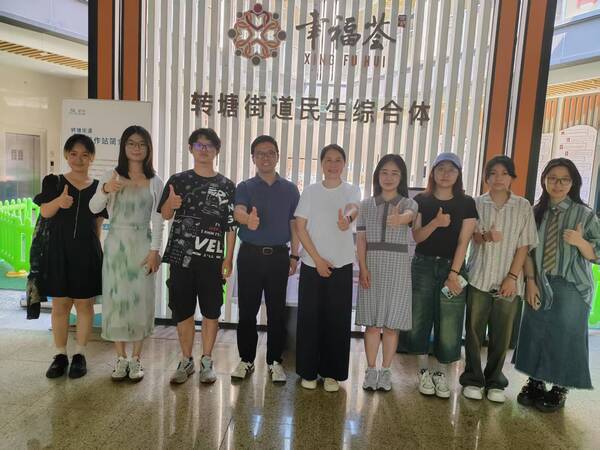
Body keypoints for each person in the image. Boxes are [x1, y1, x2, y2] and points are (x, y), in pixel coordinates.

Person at [514, 158, 600, 412]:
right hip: (539, 280)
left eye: (564, 179)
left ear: (573, 183)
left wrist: (580, 242)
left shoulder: (584, 214)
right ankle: (535, 382)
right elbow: (527, 251)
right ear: (544, 181)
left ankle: (560, 387)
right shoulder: (534, 212)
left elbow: (598, 253)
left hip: (572, 284)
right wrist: (530, 282)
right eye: (552, 178)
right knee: (534, 331)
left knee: (566, 336)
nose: (558, 184)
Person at [158, 128, 236, 385]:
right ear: (191, 148)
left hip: (212, 260)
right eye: (199, 145)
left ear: (217, 151)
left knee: (212, 311)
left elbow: (231, 226)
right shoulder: (178, 180)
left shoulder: (227, 185)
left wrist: (228, 258)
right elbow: (165, 215)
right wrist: (171, 204)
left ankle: (207, 360)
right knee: (183, 311)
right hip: (181, 257)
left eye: (209, 145)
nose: (204, 150)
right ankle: (186, 359)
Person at [459, 156, 537, 403]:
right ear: (486, 177)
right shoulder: (476, 203)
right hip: (479, 276)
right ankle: (473, 379)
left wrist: (512, 277)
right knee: (473, 331)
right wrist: (485, 236)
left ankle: (495, 381)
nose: (498, 178)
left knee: (501, 335)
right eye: (493, 173)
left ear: (512, 177)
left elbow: (524, 245)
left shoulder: (523, 206)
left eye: (504, 173)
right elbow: (472, 238)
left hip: (509, 281)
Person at [90, 125, 164, 382]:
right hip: (116, 246)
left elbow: (158, 220)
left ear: (148, 148)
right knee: (117, 300)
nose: (136, 148)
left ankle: (136, 359)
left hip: (143, 244)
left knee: (141, 300)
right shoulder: (111, 175)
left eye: (142, 144)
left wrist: (155, 251)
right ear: (123, 146)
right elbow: (93, 208)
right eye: (131, 143)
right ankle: (120, 358)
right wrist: (105, 190)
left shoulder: (155, 181)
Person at [35, 134, 107, 379]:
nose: (79, 159)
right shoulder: (53, 181)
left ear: (92, 158)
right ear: (66, 155)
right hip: (58, 252)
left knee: (85, 305)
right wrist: (59, 201)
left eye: (85, 155)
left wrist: (95, 252)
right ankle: (59, 356)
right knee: (60, 305)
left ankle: (80, 355)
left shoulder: (98, 187)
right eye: (74, 154)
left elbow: (98, 224)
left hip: (87, 252)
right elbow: (45, 212)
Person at [231, 135, 300, 383]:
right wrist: (247, 219)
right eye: (260, 153)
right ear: (253, 158)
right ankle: (246, 360)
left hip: (279, 256)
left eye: (270, 152)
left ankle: (274, 361)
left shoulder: (290, 189)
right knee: (247, 311)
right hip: (250, 255)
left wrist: (295, 255)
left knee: (276, 312)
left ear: (278, 156)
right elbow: (238, 211)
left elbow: (295, 224)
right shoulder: (245, 186)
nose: (265, 157)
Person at [409, 152, 477, 398]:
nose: (446, 174)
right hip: (423, 266)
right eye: (441, 169)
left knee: (450, 321)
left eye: (451, 169)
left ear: (458, 174)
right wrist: (436, 223)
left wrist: (453, 274)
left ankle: (441, 373)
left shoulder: (467, 203)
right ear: (433, 173)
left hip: (453, 268)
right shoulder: (421, 200)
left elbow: (463, 242)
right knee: (419, 318)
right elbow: (417, 237)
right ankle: (423, 371)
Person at [294, 144, 361, 392]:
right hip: (312, 265)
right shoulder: (310, 191)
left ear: (344, 164)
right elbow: (300, 227)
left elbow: (354, 207)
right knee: (309, 319)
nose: (333, 164)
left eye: (338, 160)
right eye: (328, 160)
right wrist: (318, 260)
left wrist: (348, 219)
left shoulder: (351, 189)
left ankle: (332, 373)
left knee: (337, 320)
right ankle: (308, 371)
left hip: (341, 265)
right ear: (321, 164)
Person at [356, 154, 417, 392]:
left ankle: (386, 371)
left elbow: (410, 216)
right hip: (372, 267)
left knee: (392, 326)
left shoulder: (409, 203)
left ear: (401, 178)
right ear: (377, 176)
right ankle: (371, 370)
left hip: (398, 269)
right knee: (372, 325)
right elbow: (361, 240)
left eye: (394, 173)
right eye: (384, 172)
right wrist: (363, 268)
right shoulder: (365, 205)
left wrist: (401, 218)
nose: (389, 178)